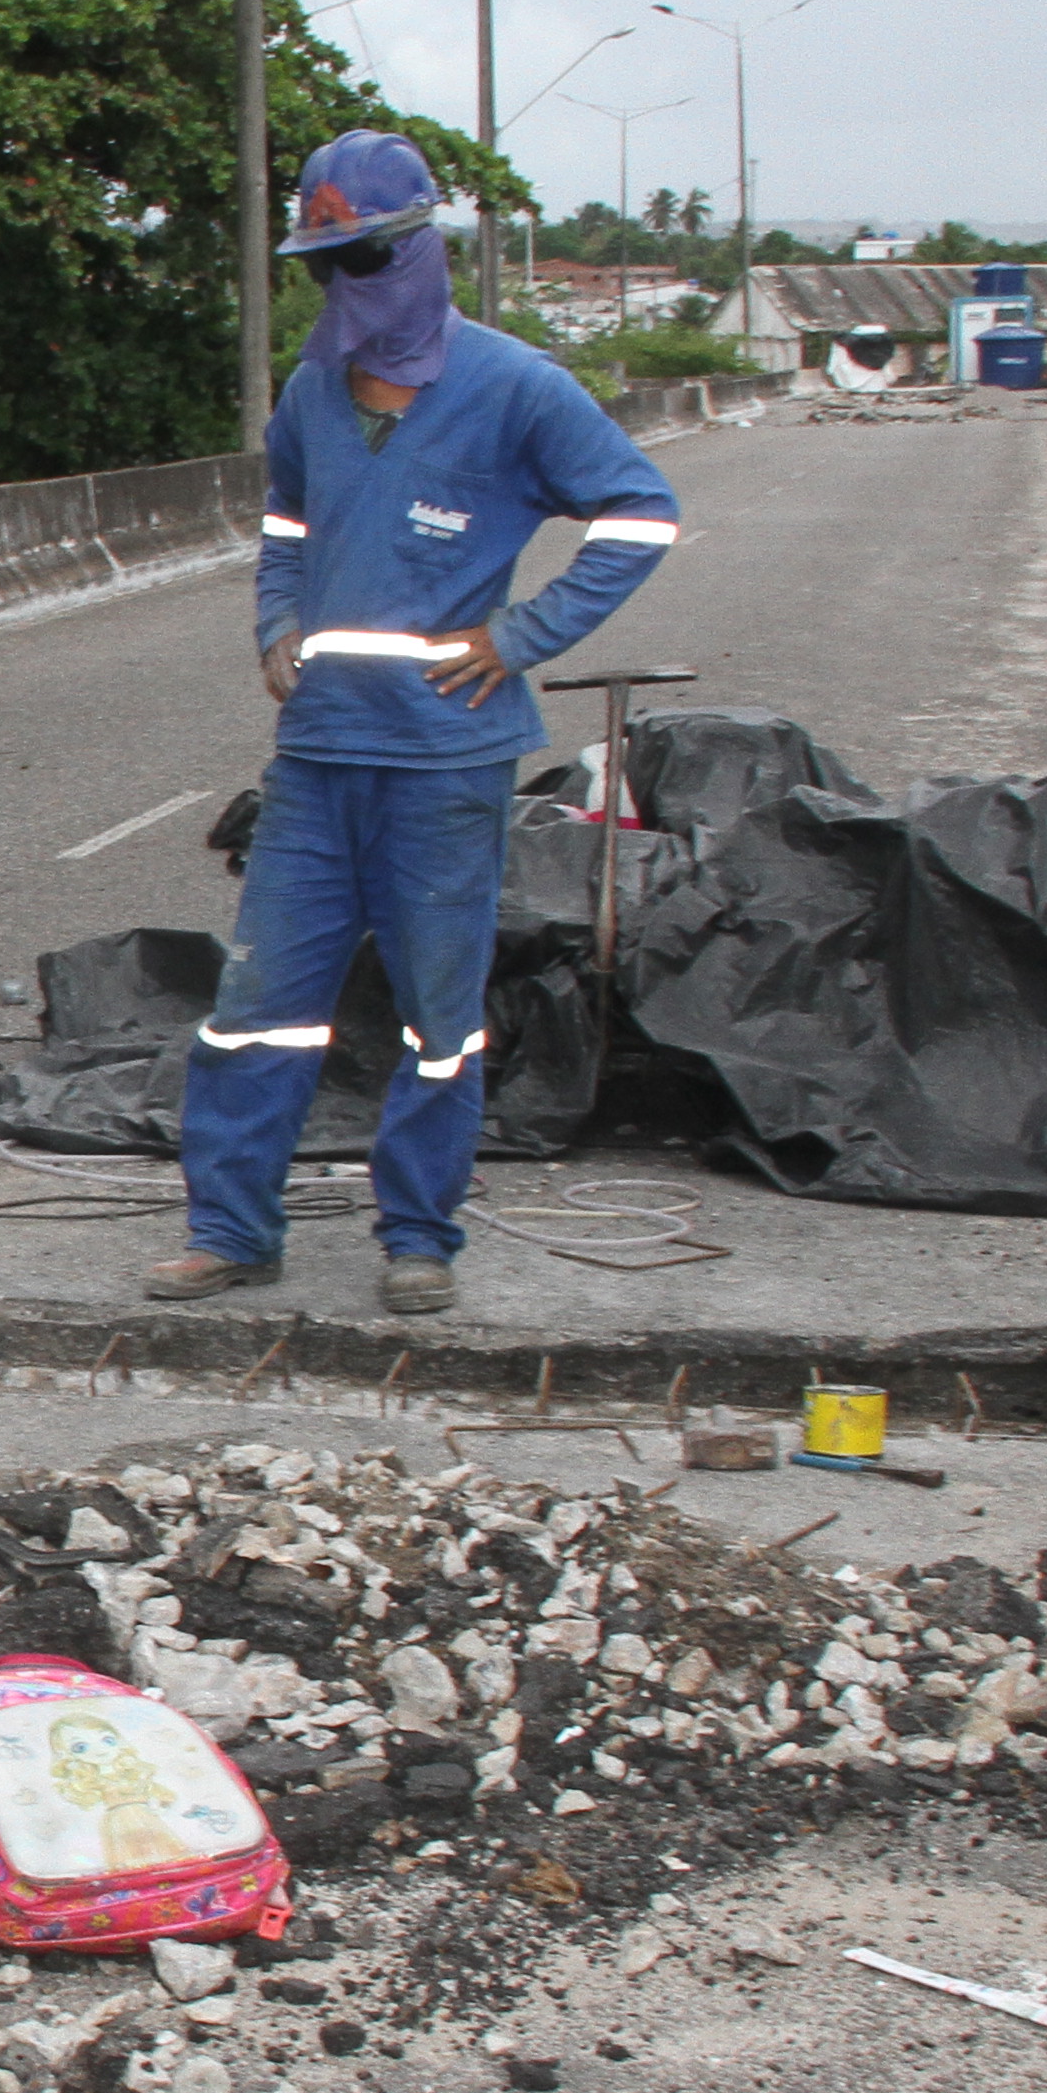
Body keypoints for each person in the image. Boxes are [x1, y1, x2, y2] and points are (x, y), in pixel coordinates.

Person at [152, 130, 682, 1321]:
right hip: (318, 759)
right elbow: (286, 523)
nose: (347, 284)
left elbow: (641, 514)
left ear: (420, 250)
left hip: (446, 762)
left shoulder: (515, 388)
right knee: (257, 1011)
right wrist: (277, 620)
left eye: (366, 256)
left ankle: (419, 1236)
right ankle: (230, 1231)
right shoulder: (312, 394)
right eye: (324, 263)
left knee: (439, 1019)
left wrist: (522, 635)